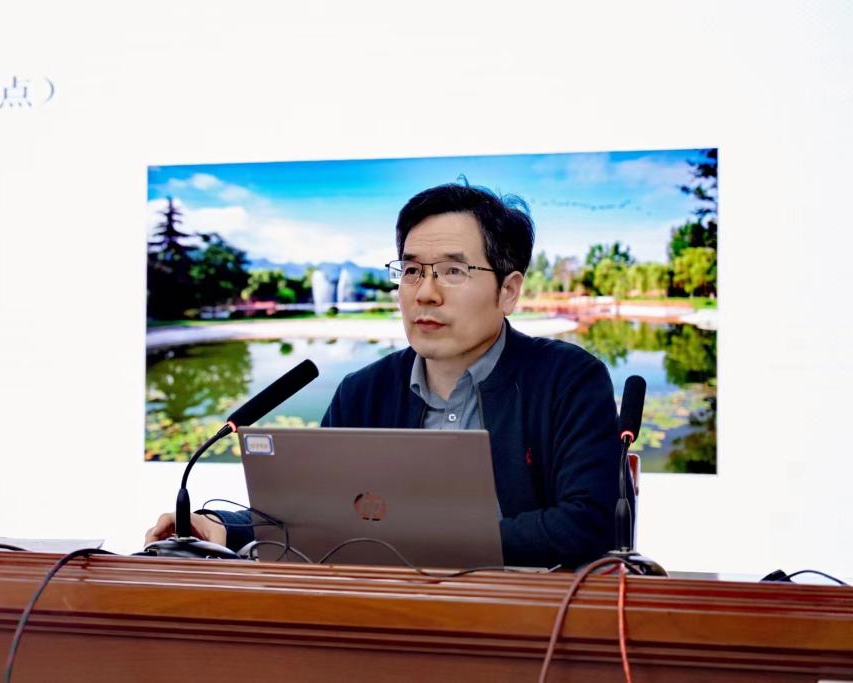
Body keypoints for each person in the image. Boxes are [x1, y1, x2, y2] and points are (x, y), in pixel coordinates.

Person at [146, 182, 624, 568]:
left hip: (522, 620)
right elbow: (311, 514)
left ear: (509, 291)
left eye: (452, 272)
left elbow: (586, 525)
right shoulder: (363, 392)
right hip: (382, 614)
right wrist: (220, 527)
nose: (425, 293)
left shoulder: (568, 380)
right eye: (412, 271)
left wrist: (422, 540)